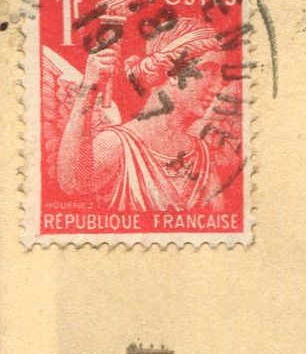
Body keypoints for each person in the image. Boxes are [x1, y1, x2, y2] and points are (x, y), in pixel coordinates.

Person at [56, 13, 237, 210]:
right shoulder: (116, 144)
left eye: (220, 75)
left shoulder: (203, 154)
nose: (218, 85)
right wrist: (88, 87)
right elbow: (73, 184)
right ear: (172, 72)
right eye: (208, 71)